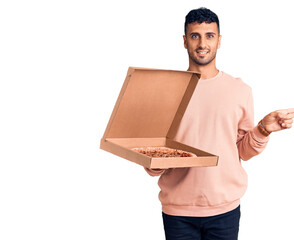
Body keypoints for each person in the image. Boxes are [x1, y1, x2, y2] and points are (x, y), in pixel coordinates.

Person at [144, 7, 294, 240]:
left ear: (219, 41)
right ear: (185, 41)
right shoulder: (166, 92)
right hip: (178, 211)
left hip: (225, 210)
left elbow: (242, 151)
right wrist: (151, 159)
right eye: (195, 36)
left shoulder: (240, 90)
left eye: (209, 36)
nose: (202, 43)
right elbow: (155, 166)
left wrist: (263, 129)